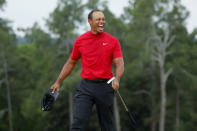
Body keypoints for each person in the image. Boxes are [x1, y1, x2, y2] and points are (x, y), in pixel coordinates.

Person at [50, 9, 124, 131]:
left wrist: (117, 79)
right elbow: (70, 63)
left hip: (105, 87)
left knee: (107, 126)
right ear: (90, 22)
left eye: (103, 19)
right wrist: (58, 82)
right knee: (77, 123)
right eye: (98, 19)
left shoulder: (113, 41)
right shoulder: (80, 41)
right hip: (86, 87)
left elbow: (120, 63)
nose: (102, 22)